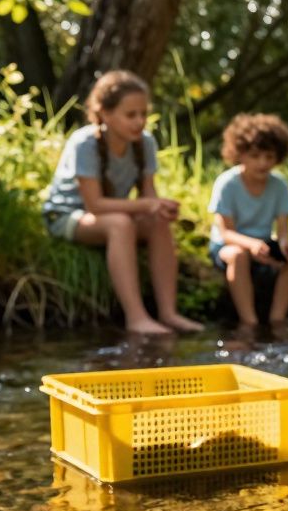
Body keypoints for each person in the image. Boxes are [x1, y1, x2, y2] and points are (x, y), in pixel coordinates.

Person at [42, 70, 203, 335]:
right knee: (120, 224)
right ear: (105, 113)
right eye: (131, 115)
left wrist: (159, 206)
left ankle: (168, 313)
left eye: (143, 114)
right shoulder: (85, 143)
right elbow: (95, 205)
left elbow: (148, 194)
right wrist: (144, 206)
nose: (139, 121)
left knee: (157, 222)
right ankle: (136, 317)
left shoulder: (145, 143)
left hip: (109, 215)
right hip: (68, 216)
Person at [208, 113, 288, 326]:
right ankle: (249, 321)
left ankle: (277, 319)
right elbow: (226, 233)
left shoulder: (279, 185)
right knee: (238, 255)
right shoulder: (227, 183)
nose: (263, 163)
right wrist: (252, 245)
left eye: (269, 157)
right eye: (255, 156)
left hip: (262, 245)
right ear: (240, 154)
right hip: (229, 246)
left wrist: (283, 246)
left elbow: (283, 230)